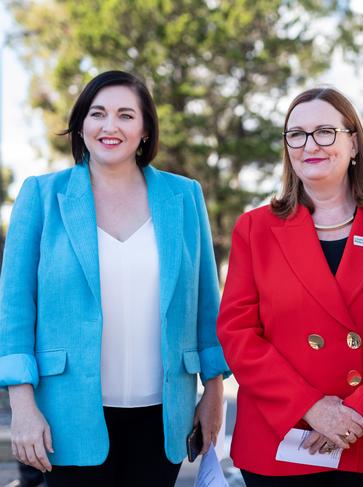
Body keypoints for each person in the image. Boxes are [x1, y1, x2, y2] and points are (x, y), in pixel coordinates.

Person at [0, 71, 230, 487]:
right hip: (65, 418)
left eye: (126, 115)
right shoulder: (41, 196)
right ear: (81, 124)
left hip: (164, 418)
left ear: (144, 130)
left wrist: (213, 394)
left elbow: (205, 304)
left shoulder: (184, 196)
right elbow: (15, 309)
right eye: (97, 114)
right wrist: (22, 405)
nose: (110, 126)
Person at [217, 87, 363, 486]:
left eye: (325, 132)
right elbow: (238, 334)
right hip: (282, 440)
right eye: (296, 134)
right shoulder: (255, 229)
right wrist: (311, 407)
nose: (310, 145)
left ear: (353, 143)